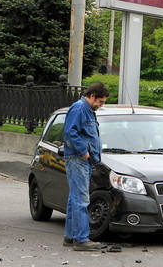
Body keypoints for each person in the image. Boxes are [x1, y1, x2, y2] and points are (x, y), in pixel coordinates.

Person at [62, 82, 110, 251]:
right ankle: (81, 239)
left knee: (74, 199)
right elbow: (70, 132)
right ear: (92, 96)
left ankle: (70, 237)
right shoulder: (80, 109)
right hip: (78, 159)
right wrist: (84, 152)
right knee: (81, 199)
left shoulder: (87, 110)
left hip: (82, 160)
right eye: (100, 101)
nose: (101, 105)